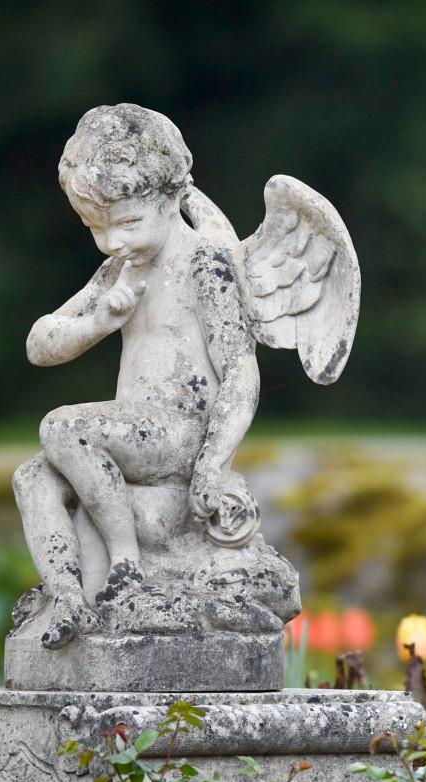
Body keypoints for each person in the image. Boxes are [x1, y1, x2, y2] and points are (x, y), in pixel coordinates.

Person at [13, 104, 260, 648]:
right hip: (131, 435)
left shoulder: (206, 264)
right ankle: (68, 597)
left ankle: (126, 571)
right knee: (33, 477)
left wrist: (213, 465)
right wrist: (99, 323)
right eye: (96, 228)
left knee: (63, 427)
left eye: (126, 223)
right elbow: (39, 344)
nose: (112, 243)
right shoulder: (120, 270)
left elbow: (241, 372)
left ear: (170, 199)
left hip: (178, 434)